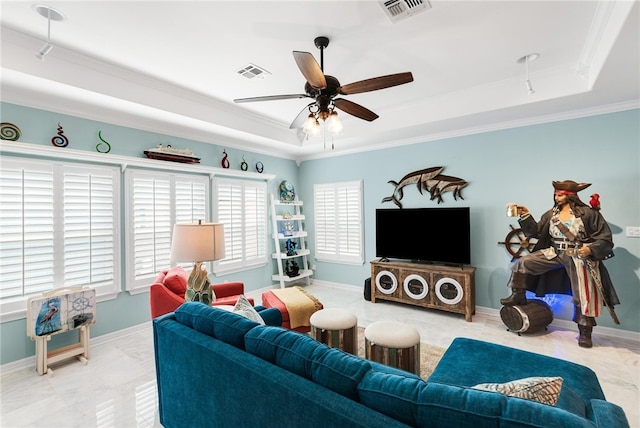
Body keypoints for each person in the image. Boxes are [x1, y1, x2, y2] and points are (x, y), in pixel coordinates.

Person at [500, 180, 620, 348]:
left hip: (578, 255)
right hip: (555, 252)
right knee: (524, 262)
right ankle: (518, 294)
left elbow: (605, 238)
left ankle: (585, 331)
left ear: (571, 195)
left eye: (561, 194)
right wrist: (525, 214)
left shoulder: (588, 214)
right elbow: (536, 231)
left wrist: (590, 249)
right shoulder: (551, 214)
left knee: (583, 294)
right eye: (556, 194)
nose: (557, 197)